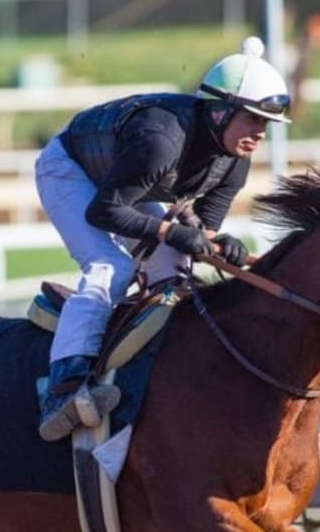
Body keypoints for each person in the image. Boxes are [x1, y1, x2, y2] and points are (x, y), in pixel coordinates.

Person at [33, 37, 291, 442]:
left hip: (130, 185)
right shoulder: (161, 140)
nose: (260, 133)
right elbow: (102, 211)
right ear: (221, 111)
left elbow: (199, 235)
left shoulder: (234, 162)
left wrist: (222, 244)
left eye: (265, 124)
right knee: (110, 266)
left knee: (175, 266)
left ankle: (151, 367)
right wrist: (172, 230)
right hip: (72, 170)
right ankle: (64, 385)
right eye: (253, 120)